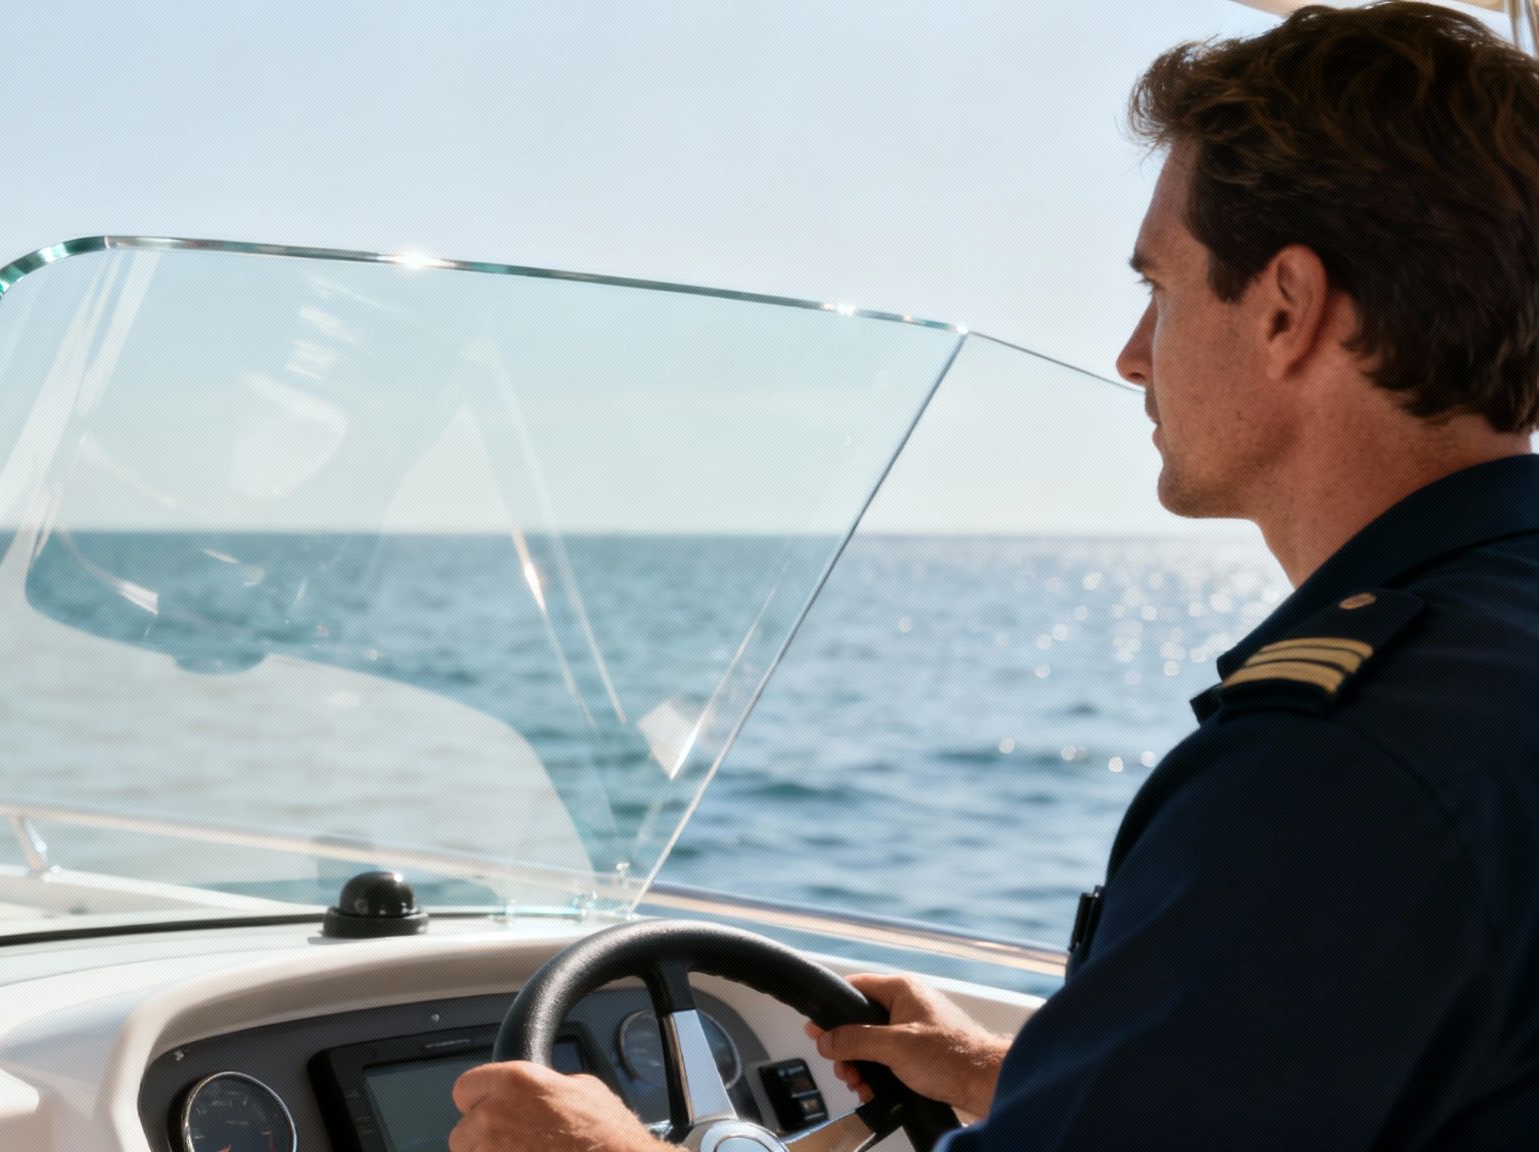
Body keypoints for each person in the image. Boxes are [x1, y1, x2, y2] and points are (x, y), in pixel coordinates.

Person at [447, 3, 1539, 1148]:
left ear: (1284, 309)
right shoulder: (1479, 670)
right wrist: (1011, 1073)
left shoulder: (1341, 768)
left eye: (1157, 288)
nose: (1129, 356)